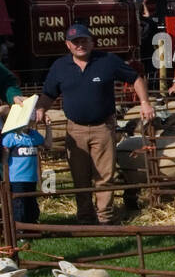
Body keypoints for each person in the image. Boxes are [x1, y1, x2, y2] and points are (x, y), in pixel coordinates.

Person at [35, 24, 155, 225]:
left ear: (92, 42)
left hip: (103, 127)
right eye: (75, 42)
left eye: (83, 41)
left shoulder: (107, 61)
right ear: (68, 45)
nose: (80, 45)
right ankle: (84, 217)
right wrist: (40, 108)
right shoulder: (60, 67)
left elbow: (135, 77)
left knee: (104, 175)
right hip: (75, 129)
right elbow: (48, 93)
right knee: (80, 176)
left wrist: (144, 102)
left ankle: (105, 217)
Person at [4, 116, 44, 227]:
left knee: (31, 202)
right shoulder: (11, 137)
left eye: (29, 120)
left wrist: (49, 127)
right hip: (16, 178)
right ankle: (20, 229)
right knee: (19, 204)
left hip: (31, 177)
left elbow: (48, 144)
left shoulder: (34, 135)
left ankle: (32, 226)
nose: (27, 123)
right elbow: (5, 160)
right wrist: (6, 177)